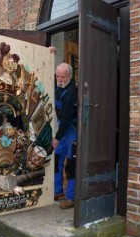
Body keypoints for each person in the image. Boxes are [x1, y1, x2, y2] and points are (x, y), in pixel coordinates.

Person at [52, 63, 77, 209]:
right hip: (61, 127)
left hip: (71, 130)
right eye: (58, 76)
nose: (60, 79)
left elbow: (67, 118)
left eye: (63, 76)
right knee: (57, 160)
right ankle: (58, 191)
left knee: (71, 164)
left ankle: (71, 197)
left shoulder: (71, 93)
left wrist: (57, 137)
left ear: (70, 77)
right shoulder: (58, 88)